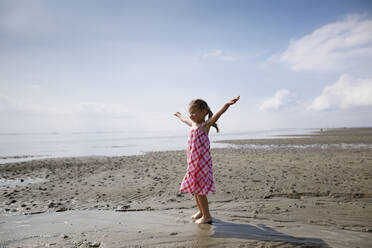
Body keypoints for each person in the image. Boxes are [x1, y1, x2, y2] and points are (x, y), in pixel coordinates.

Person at [174, 96, 240, 224]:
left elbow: (218, 114)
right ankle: (201, 212)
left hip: (201, 165)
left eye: (194, 112)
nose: (191, 115)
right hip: (192, 164)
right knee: (195, 189)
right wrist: (178, 115)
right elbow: (184, 120)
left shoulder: (205, 125)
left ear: (203, 111)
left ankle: (207, 216)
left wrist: (227, 104)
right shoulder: (193, 124)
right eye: (190, 113)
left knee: (199, 190)